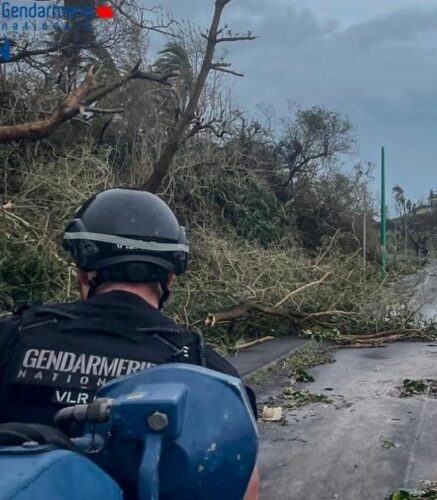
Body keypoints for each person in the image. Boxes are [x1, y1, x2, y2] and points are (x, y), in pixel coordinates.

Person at [0, 188, 259, 499]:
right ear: (170, 278)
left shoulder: (12, 337)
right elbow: (239, 483)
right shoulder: (207, 371)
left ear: (83, 271)